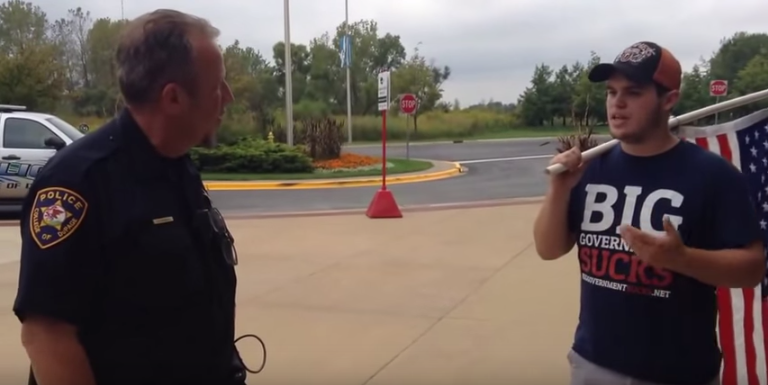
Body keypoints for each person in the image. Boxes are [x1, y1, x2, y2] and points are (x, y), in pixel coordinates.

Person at [13, 9, 244, 385]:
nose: (228, 98)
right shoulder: (78, 184)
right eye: (218, 86)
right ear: (173, 98)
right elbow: (47, 335)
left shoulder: (177, 165)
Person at [533, 41, 765, 385]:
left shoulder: (713, 175)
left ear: (668, 99)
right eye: (611, 92)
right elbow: (549, 249)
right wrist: (559, 190)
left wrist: (682, 258)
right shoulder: (591, 168)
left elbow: (752, 268)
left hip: (680, 371)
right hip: (593, 361)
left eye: (634, 92)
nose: (617, 103)